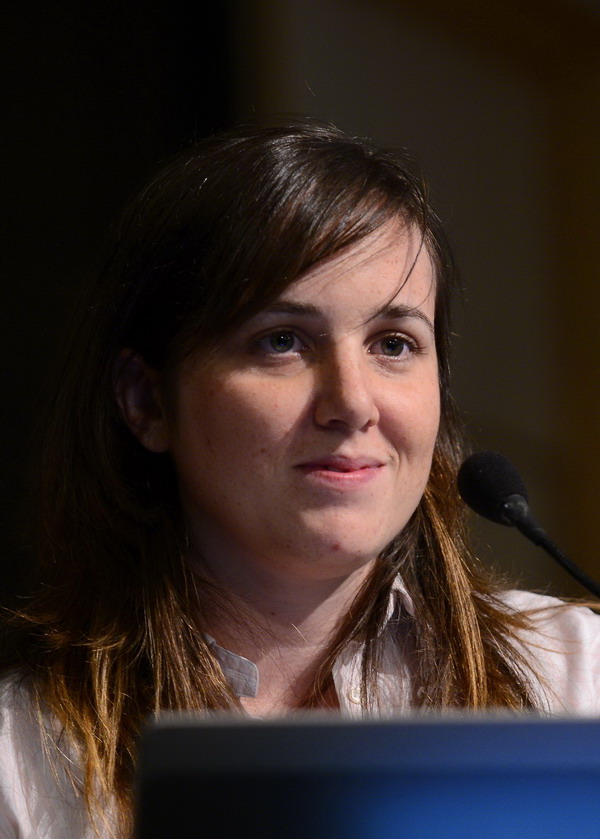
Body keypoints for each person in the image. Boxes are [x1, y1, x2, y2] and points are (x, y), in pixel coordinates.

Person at [1, 121, 599, 839]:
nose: (352, 401)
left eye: (394, 343)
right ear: (147, 400)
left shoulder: (579, 681)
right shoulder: (20, 754)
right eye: (281, 340)